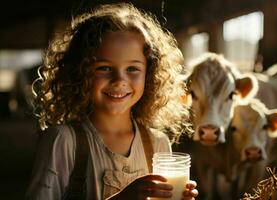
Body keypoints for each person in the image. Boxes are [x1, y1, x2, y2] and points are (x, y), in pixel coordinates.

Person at [27, 3, 198, 200]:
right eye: (104, 68)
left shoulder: (157, 144)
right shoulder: (63, 142)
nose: (119, 81)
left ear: (149, 75)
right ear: (81, 71)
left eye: (132, 69)